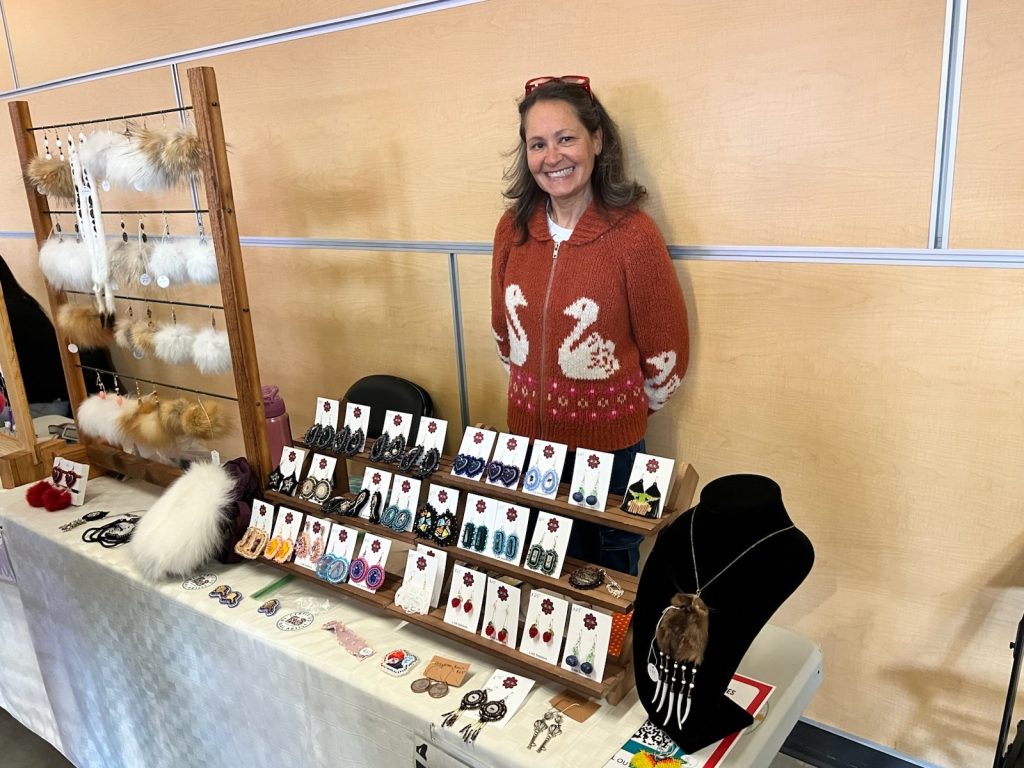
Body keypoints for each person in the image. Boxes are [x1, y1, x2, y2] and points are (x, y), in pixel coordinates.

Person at [490, 75, 690, 575]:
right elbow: (504, 334)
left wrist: (614, 411)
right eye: (538, 143)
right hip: (531, 448)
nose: (552, 156)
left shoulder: (633, 234)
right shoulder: (512, 231)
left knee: (610, 579)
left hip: (612, 455)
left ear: (597, 140)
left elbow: (666, 355)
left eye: (566, 138)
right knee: (544, 572)